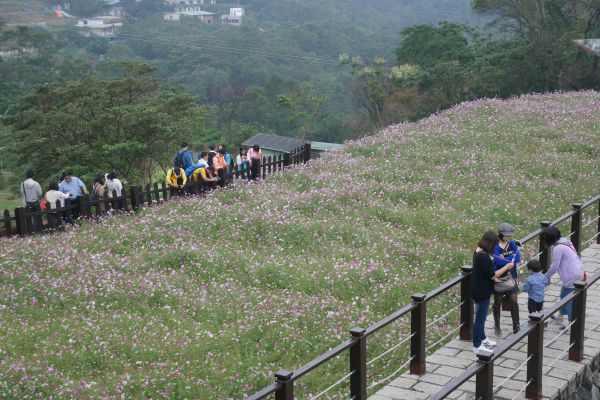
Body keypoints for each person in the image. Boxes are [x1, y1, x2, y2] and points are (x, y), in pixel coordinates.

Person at [472, 231, 515, 353]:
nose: (496, 246)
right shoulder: (484, 257)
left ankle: (482, 338)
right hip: (482, 291)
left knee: (482, 316)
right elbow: (492, 274)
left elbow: (483, 271)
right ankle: (477, 345)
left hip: (478, 287)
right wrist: (507, 266)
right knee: (480, 319)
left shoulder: (478, 251)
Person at [543, 226, 585, 330]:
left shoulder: (558, 248)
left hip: (571, 276)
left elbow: (555, 266)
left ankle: (571, 322)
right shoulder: (565, 241)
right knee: (563, 295)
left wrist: (546, 276)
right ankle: (560, 315)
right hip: (577, 272)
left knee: (567, 299)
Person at [492, 223, 521, 335]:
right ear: (500, 235)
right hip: (498, 277)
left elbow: (517, 258)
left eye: (510, 236)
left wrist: (504, 258)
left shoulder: (512, 243)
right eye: (506, 236)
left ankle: (516, 325)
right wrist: (510, 259)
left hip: (511, 276)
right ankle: (497, 325)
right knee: (497, 302)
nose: (509, 238)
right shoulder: (495, 245)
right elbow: (496, 260)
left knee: (514, 300)